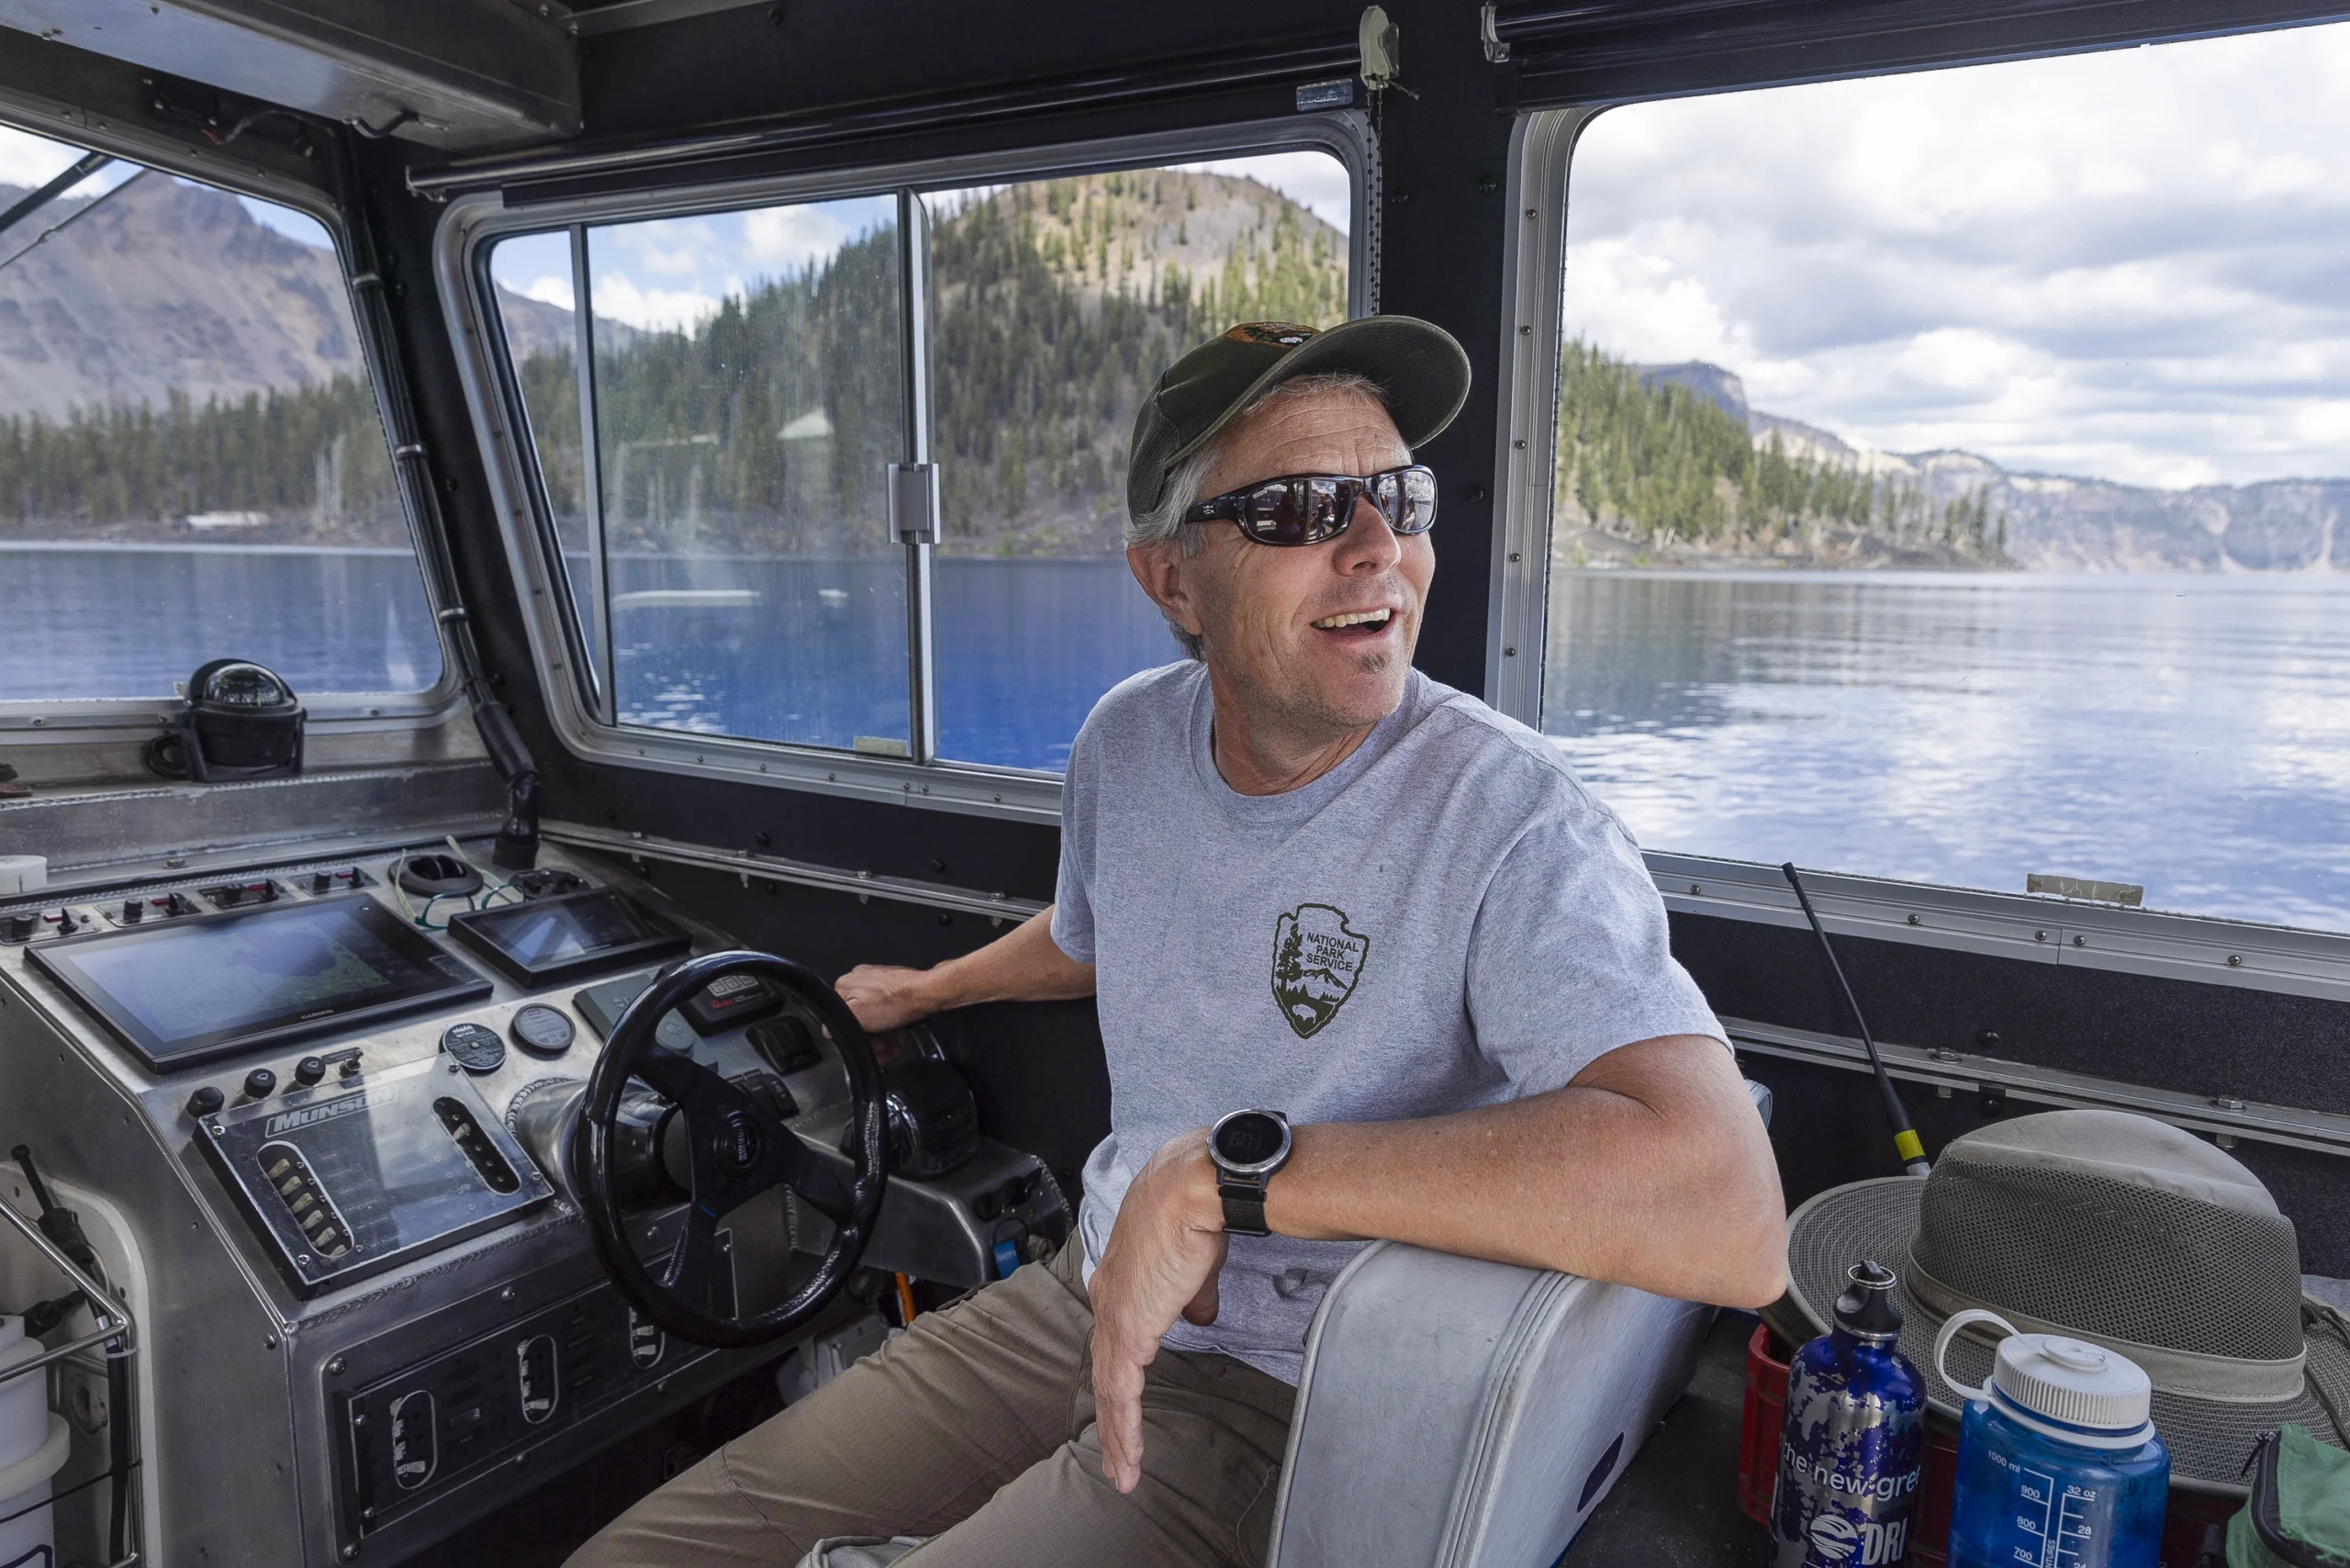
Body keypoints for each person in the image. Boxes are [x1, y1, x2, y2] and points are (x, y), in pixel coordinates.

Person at [567, 316, 1787, 1568]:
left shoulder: (1512, 818)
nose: (1379, 550)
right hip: (1076, 1293)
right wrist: (933, 988)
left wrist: (1234, 1178)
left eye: (1396, 498)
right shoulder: (1129, 744)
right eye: (1304, 509)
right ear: (1172, 579)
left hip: (1279, 1389)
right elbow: (1101, 929)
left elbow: (1728, 1210)